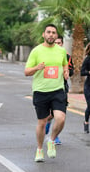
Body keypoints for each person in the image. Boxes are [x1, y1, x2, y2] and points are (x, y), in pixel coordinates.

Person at [25, 24, 69, 162]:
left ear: (56, 36)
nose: (51, 35)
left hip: (57, 90)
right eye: (48, 32)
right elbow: (26, 72)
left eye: (53, 33)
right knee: (42, 122)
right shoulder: (36, 51)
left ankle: (51, 140)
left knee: (61, 118)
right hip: (41, 91)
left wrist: (66, 71)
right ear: (43, 35)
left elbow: (64, 63)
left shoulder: (61, 51)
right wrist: (37, 68)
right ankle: (39, 149)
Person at [44, 35, 74, 145]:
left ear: (62, 44)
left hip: (61, 88)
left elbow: (72, 70)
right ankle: (47, 124)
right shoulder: (46, 54)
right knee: (50, 114)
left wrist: (67, 73)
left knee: (60, 115)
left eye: (59, 43)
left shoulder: (66, 56)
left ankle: (55, 136)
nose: (57, 45)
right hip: (48, 87)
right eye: (55, 43)